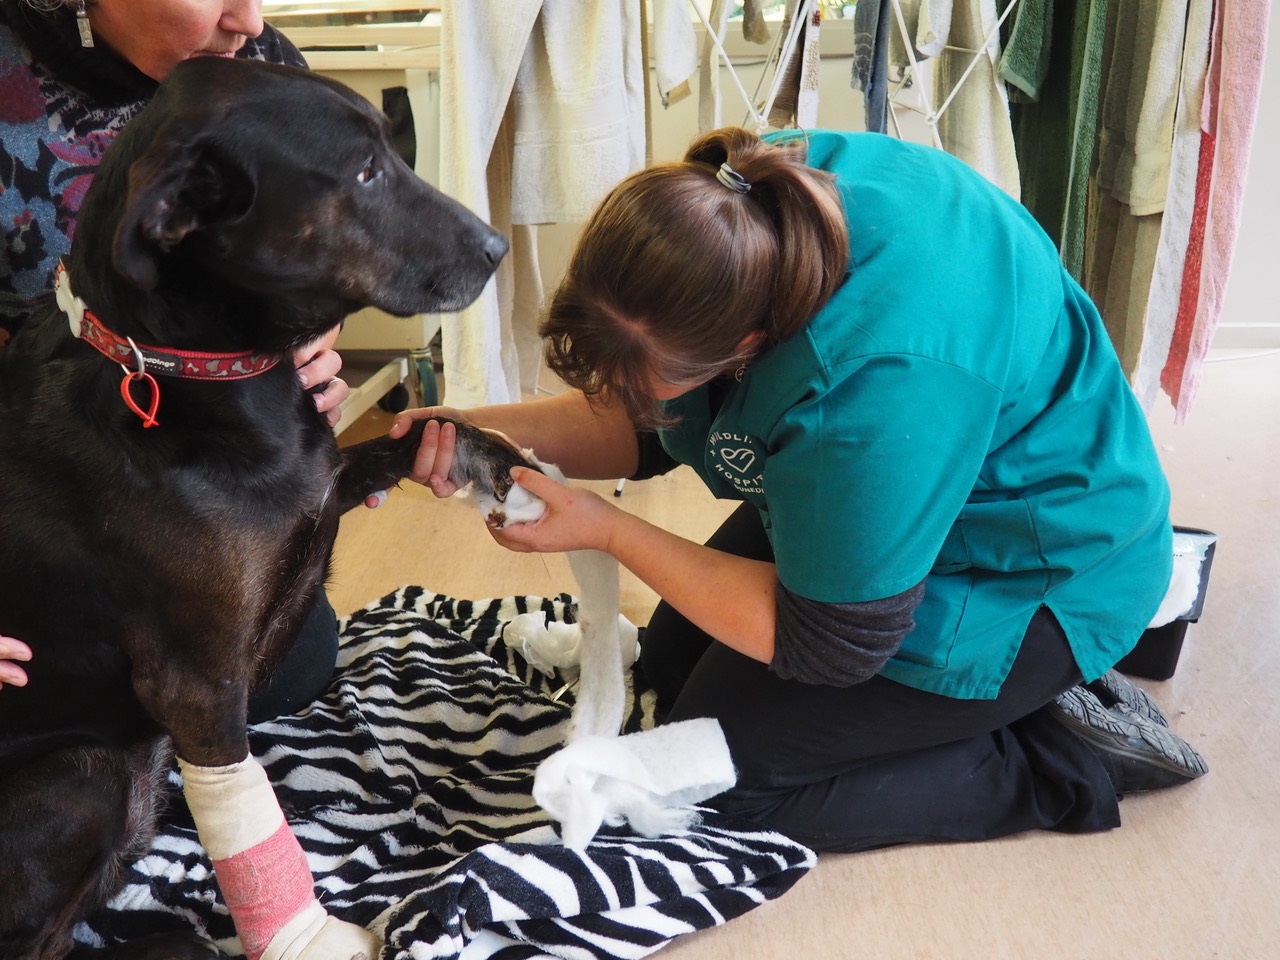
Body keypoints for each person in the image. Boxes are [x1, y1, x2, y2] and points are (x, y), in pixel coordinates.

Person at [389, 126, 1208, 852]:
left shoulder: (873, 383)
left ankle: (1053, 755)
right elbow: (640, 421)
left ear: (747, 342)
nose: (636, 398)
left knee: (715, 775)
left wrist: (607, 529)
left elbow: (831, 640)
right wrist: (467, 426)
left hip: (1037, 563)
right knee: (673, 671)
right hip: (915, 482)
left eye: (653, 384)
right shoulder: (744, 206)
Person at [0, 0, 348, 718]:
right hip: (38, 538)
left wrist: (307, 347)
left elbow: (319, 262)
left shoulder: (261, 69)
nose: (248, 20)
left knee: (289, 676)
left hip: (202, 514)